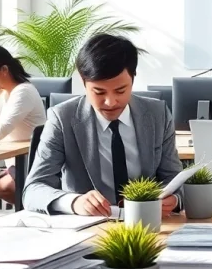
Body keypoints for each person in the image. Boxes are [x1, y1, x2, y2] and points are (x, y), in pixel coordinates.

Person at [23, 34, 182, 217]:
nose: (110, 102)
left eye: (120, 90)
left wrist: (174, 199)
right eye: (99, 92)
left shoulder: (157, 114)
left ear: (133, 78)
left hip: (147, 223)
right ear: (84, 83)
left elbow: (174, 179)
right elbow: (33, 190)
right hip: (90, 226)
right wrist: (74, 202)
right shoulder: (62, 119)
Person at [0, 45, 47, 205]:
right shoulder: (2, 93)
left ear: (4, 70)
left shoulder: (23, 92)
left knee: (1, 186)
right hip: (15, 162)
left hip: (31, 163)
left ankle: (33, 207)